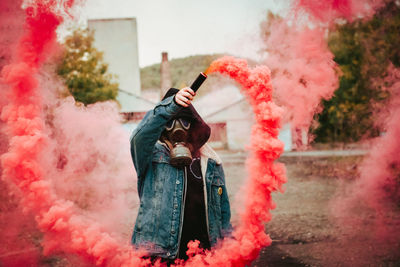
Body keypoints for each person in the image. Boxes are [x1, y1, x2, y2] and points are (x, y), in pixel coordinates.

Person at [130, 86, 232, 262]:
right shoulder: (151, 156)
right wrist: (171, 105)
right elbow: (140, 137)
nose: (177, 128)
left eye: (184, 122)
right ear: (162, 128)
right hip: (160, 257)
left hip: (203, 257)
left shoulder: (211, 162)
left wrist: (229, 250)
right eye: (169, 122)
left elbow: (223, 214)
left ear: (192, 125)